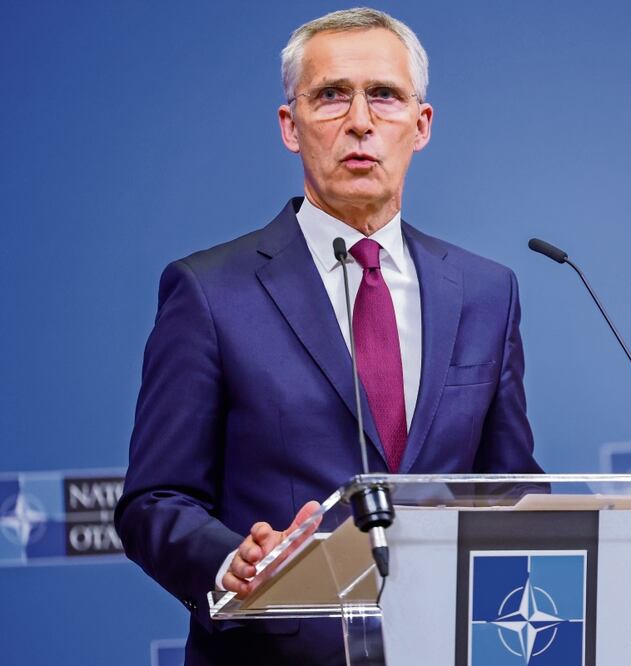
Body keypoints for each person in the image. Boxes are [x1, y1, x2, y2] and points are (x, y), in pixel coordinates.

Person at [114, 8, 543, 664]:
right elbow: (154, 501)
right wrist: (230, 559)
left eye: (385, 96)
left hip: (446, 646)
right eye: (331, 96)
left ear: (421, 125)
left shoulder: (487, 292)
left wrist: (616, 541)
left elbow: (506, 483)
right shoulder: (208, 291)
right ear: (291, 126)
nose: (361, 122)